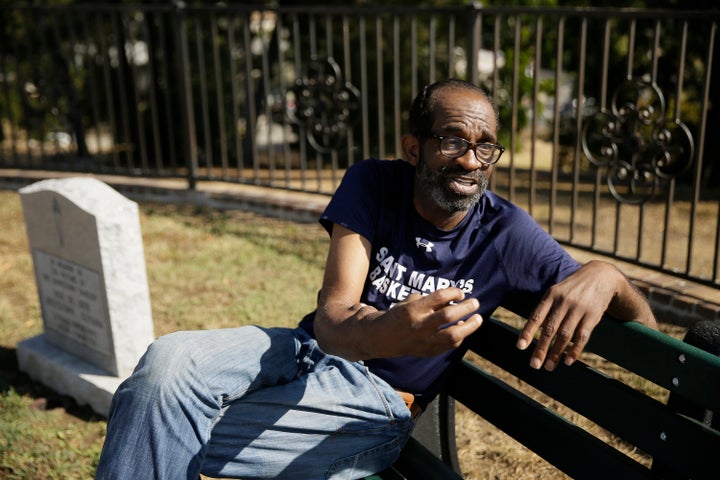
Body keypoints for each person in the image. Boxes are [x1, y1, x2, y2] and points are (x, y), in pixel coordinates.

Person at [94, 79, 657, 480]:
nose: (470, 160)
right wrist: (390, 329)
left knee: (150, 419)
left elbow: (647, 331)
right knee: (164, 369)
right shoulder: (372, 183)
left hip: (377, 404)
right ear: (414, 148)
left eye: (485, 146)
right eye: (452, 139)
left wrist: (609, 275)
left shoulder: (508, 235)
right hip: (302, 351)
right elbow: (334, 319)